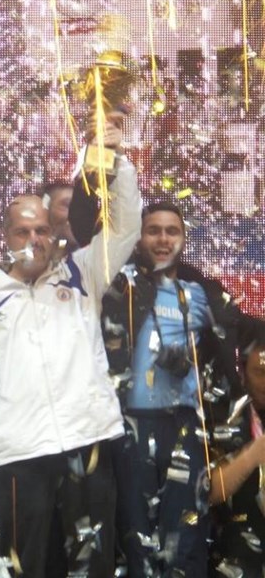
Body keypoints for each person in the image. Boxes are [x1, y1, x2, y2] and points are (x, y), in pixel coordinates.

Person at [0, 119, 141, 577]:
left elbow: (126, 228)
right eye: (22, 232)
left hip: (85, 440)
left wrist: (117, 163)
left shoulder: (81, 275)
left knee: (92, 567)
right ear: (5, 237)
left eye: (40, 230)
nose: (34, 240)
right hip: (15, 453)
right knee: (23, 569)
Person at [95, 201, 260, 577]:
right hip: (130, 427)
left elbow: (244, 329)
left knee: (186, 536)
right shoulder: (118, 288)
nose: (163, 239)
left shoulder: (199, 294)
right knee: (136, 535)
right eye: (154, 230)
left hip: (184, 427)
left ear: (184, 239)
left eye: (172, 231)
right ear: (139, 238)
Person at [208, 336, 265, 576]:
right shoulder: (226, 417)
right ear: (242, 373)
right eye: (259, 372)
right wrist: (252, 455)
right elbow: (210, 491)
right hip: (239, 551)